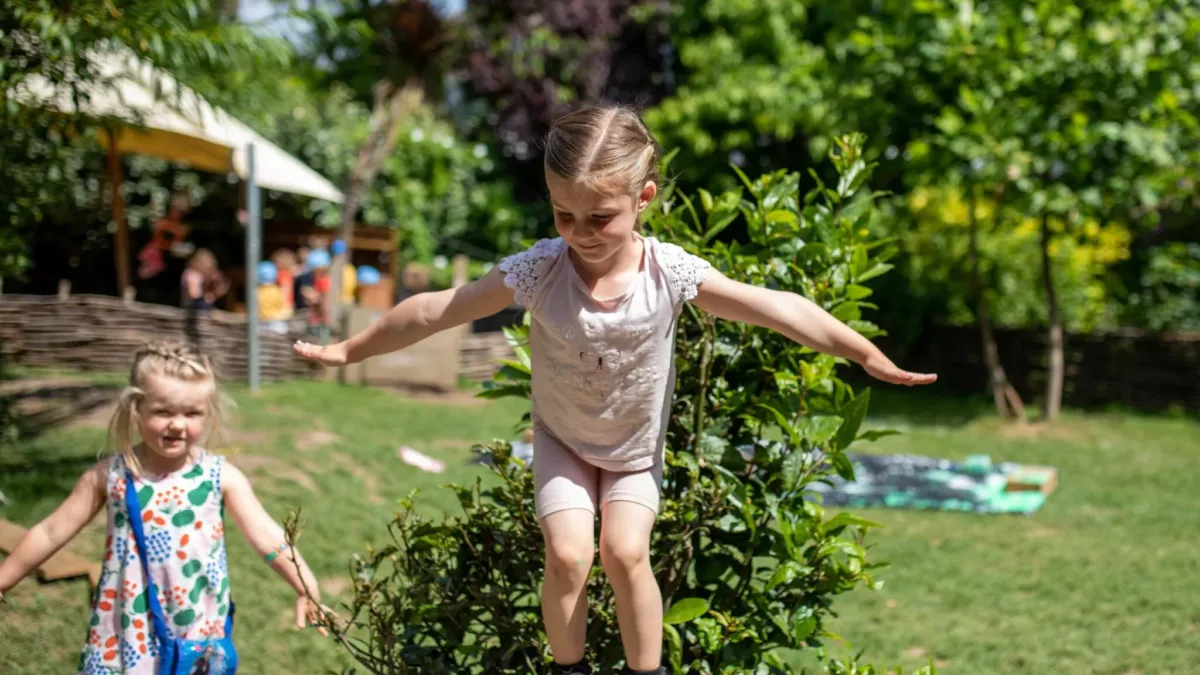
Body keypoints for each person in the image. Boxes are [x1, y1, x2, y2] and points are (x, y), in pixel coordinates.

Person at [294, 105, 936, 675]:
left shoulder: (670, 272)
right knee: (570, 555)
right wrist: (349, 349)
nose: (579, 231)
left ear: (644, 198)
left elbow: (780, 309)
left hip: (632, 450)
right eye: (562, 213)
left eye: (600, 216)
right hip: (563, 442)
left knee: (625, 551)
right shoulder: (539, 270)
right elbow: (436, 310)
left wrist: (865, 354)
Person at [0, 341, 328, 673]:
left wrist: (306, 586)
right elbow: (51, 531)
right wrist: (3, 580)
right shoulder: (111, 475)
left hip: (195, 638)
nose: (178, 425)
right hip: (126, 636)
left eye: (192, 413)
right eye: (163, 411)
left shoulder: (221, 478)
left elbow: (267, 536)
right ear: (135, 408)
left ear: (207, 412)